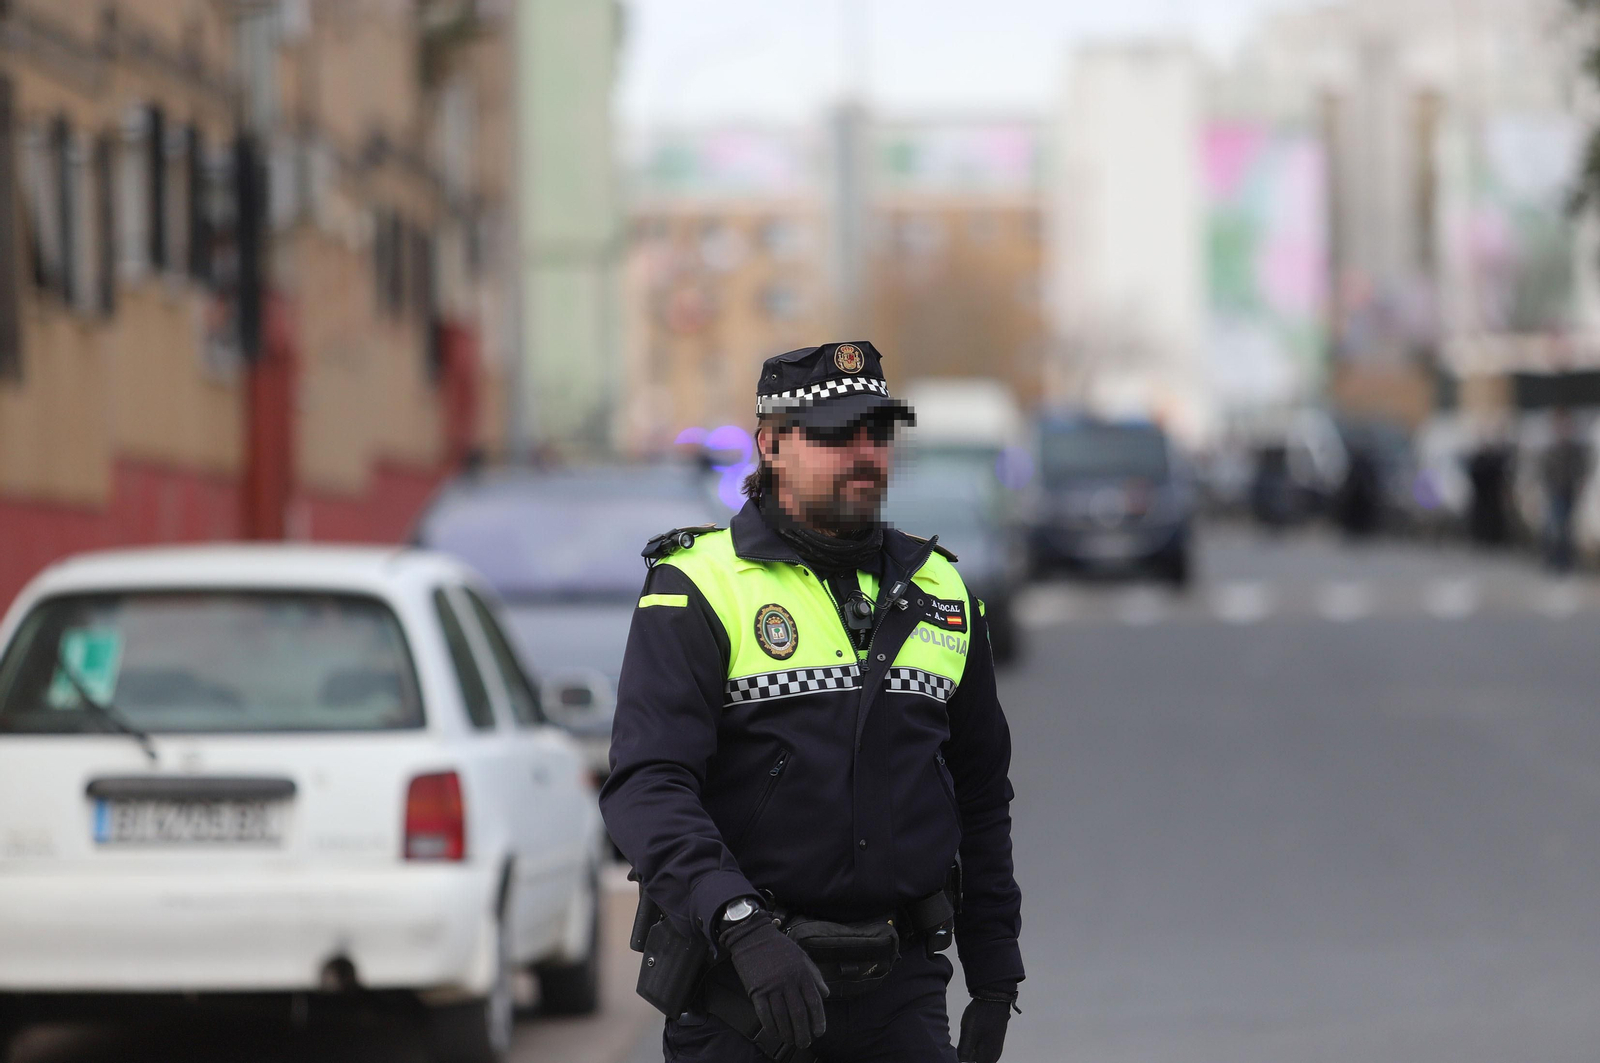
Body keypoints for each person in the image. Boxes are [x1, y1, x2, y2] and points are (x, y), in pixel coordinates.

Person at [602, 342, 1024, 1063]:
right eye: (836, 433)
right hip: (743, 990)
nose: (865, 454)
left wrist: (994, 973)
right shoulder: (698, 585)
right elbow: (649, 786)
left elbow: (981, 796)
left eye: (878, 432)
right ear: (771, 444)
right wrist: (740, 924)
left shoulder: (943, 593)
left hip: (901, 992)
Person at [1540, 408, 1591, 573]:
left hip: (1569, 491)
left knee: (1566, 528)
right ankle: (1555, 560)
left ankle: (1564, 561)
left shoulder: (1574, 449)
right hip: (1556, 492)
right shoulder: (1552, 449)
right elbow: (1545, 471)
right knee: (1556, 527)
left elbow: (1581, 469)